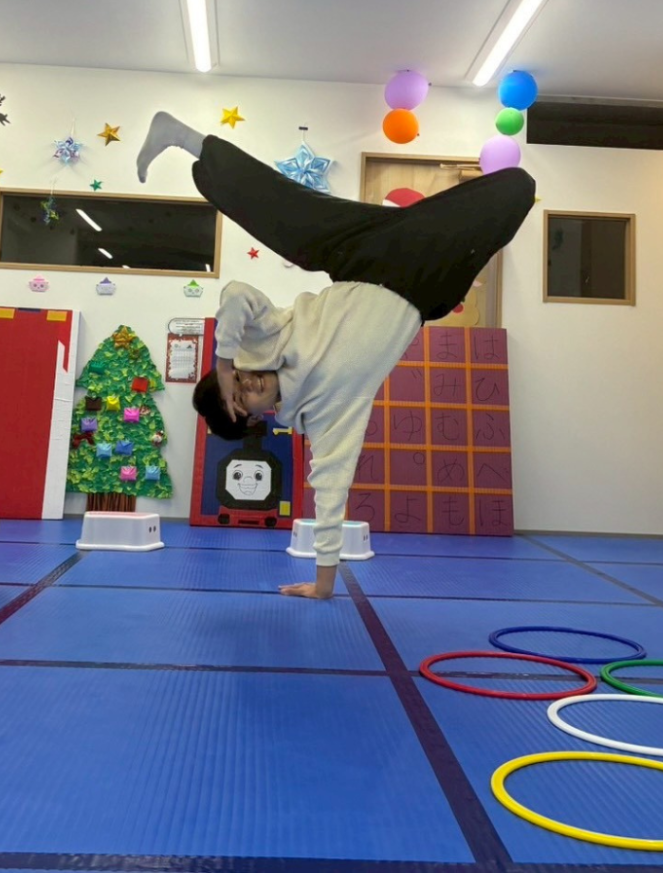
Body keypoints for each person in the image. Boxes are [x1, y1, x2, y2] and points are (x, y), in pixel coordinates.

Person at [136, 112, 535, 600]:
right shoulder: (325, 418)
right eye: (243, 399)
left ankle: (185, 137)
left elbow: (237, 292)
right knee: (517, 187)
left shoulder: (266, 340)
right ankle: (442, 220)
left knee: (290, 213)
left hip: (359, 254)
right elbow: (329, 493)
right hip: (421, 280)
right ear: (258, 418)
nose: (247, 384)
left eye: (237, 381)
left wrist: (223, 362)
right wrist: (324, 584)